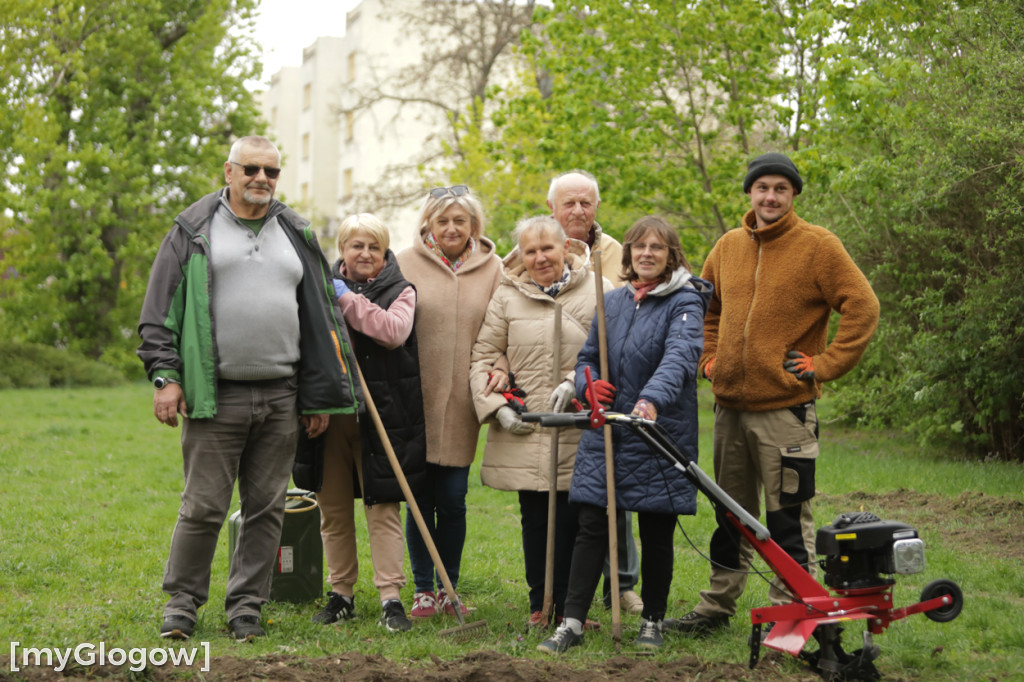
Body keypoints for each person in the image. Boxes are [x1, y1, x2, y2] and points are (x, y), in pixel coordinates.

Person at [137, 135, 360, 642]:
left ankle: (246, 608)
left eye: (271, 172)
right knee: (204, 506)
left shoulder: (296, 231)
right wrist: (166, 377)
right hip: (216, 395)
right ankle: (182, 605)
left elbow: (319, 317)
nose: (262, 179)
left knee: (267, 508)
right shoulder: (193, 230)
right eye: (251, 169)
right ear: (229, 171)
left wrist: (317, 395)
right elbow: (158, 315)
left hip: (283, 394)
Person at [668, 152, 880, 636]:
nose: (770, 196)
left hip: (785, 413)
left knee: (786, 518)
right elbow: (708, 310)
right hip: (730, 412)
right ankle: (716, 607)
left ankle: (790, 611)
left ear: (793, 196)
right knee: (730, 515)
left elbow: (863, 307)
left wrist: (823, 366)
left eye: (780, 189)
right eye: (762, 187)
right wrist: (709, 359)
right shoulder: (726, 246)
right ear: (749, 192)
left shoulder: (819, 246)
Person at [538, 216, 712, 653]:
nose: (647, 254)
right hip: (609, 430)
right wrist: (586, 383)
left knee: (656, 529)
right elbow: (587, 358)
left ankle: (652, 619)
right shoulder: (612, 301)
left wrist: (650, 401)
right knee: (592, 524)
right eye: (639, 247)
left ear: (672, 255)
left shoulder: (686, 302)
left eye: (657, 247)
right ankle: (573, 622)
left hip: (657, 431)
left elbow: (680, 356)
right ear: (630, 254)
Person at [469, 216, 611, 628]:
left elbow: (612, 353)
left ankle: (572, 608)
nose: (539, 257)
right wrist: (497, 407)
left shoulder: (598, 289)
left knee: (576, 518)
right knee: (536, 519)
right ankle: (541, 605)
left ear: (565, 246)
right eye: (530, 251)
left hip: (580, 424)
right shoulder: (507, 296)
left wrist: (575, 382)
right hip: (529, 426)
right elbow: (482, 356)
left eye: (547, 248)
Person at [311, 214, 426, 633]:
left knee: (383, 509)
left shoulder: (401, 290)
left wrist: (344, 298)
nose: (364, 254)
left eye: (373, 247)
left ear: (384, 252)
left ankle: (390, 599)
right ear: (341, 249)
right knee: (334, 511)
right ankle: (341, 593)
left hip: (382, 418)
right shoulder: (317, 291)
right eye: (356, 245)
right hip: (331, 417)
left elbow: (393, 331)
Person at [396, 184, 502, 618]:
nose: (452, 228)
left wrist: (501, 366)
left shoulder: (494, 268)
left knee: (453, 498)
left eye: (460, 220)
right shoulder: (402, 263)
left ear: (473, 225)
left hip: (463, 401)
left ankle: (449, 586)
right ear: (428, 225)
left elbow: (503, 326)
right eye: (443, 220)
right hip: (413, 398)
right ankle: (423, 588)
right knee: (418, 498)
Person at [547, 169, 642, 616]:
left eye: (586, 202)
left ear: (597, 206)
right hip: (552, 383)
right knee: (568, 491)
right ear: (553, 208)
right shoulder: (541, 246)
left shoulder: (616, 253)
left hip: (606, 385)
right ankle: (560, 583)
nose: (578, 210)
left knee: (612, 487)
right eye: (569, 203)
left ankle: (621, 584)